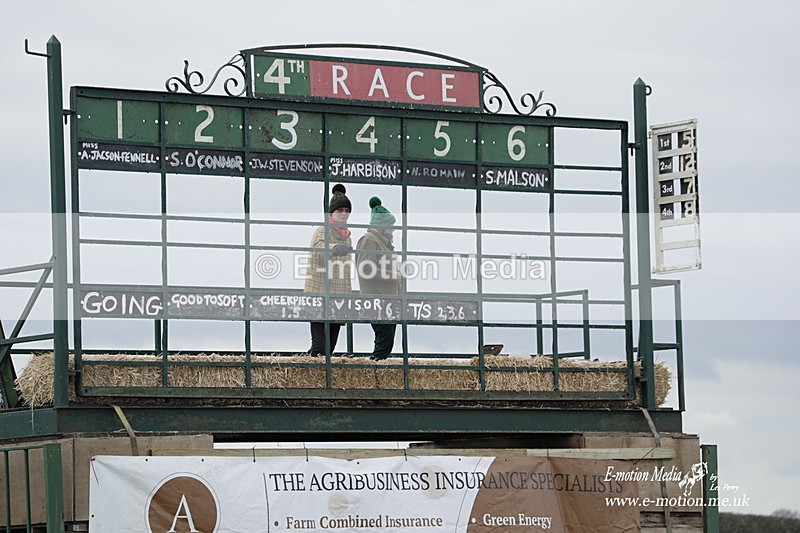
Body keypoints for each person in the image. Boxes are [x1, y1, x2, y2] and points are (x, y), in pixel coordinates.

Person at [304, 184, 353, 355]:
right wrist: (334, 248)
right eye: (340, 210)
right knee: (319, 347)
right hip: (319, 294)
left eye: (347, 210)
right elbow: (318, 248)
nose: (344, 214)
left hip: (339, 296)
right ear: (331, 213)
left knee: (329, 348)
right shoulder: (323, 230)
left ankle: (312, 368)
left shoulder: (347, 237)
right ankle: (308, 369)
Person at [356, 196, 401, 360]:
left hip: (386, 298)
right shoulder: (369, 240)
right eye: (390, 226)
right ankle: (374, 369)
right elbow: (366, 269)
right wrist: (392, 275)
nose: (393, 230)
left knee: (386, 340)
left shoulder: (382, 242)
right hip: (377, 298)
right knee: (384, 339)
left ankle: (376, 368)